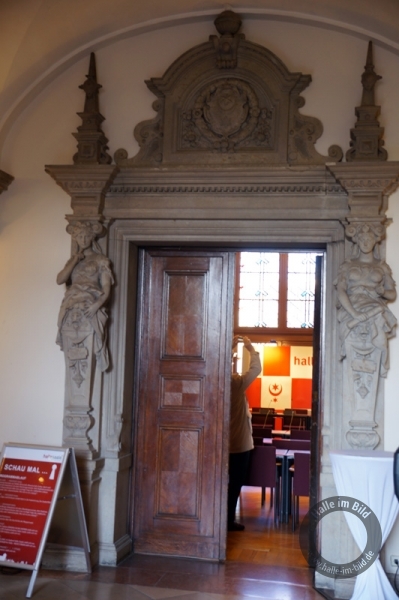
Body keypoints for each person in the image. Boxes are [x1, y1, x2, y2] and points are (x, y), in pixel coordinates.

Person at [335, 222, 397, 377]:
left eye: (369, 240)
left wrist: (382, 291)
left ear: (375, 241)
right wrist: (354, 313)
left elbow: (392, 294)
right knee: (351, 340)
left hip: (374, 307)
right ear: (357, 241)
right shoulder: (347, 266)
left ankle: (382, 363)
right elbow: (341, 291)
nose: (365, 243)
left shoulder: (382, 267)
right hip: (353, 308)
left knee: (380, 339)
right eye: (362, 240)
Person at [56, 221, 114, 372]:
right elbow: (60, 280)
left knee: (94, 341)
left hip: (91, 304)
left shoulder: (101, 260)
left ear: (92, 237)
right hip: (71, 304)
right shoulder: (73, 261)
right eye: (79, 236)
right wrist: (75, 259)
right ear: (75, 238)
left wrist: (97, 305)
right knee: (71, 341)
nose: (83, 240)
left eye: (86, 236)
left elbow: (106, 289)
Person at [228, 335, 261, 531]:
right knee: (235, 485)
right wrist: (249, 347)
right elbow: (256, 369)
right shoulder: (237, 383)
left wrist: (230, 348)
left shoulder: (215, 381)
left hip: (220, 445)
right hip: (240, 445)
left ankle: (218, 518)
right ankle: (229, 520)